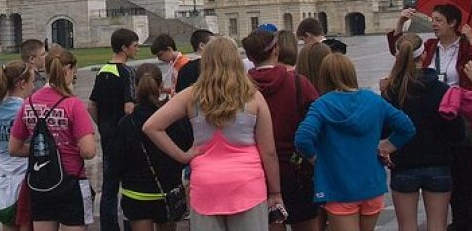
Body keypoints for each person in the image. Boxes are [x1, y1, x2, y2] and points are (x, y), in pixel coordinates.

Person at [143, 36, 284, 230]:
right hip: (247, 183)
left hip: (206, 184)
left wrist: (182, 156)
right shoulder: (254, 97)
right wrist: (275, 192)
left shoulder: (191, 95)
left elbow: (151, 126)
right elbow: (269, 152)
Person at [389, 5, 472, 231]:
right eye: (433, 19)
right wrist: (399, 25)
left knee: (467, 171)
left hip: (463, 116)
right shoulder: (431, 47)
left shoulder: (464, 46)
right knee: (448, 172)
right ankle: (459, 219)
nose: (433, 24)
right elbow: (404, 52)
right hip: (436, 113)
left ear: (452, 23)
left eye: (438, 20)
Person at [295, 53, 415, 231]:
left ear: (324, 77)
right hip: (371, 184)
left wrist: (317, 160)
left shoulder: (322, 105)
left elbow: (302, 138)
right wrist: (386, 147)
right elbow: (407, 127)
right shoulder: (373, 100)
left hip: (338, 187)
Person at [381, 33, 464, 231]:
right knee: (437, 225)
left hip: (403, 165)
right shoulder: (442, 89)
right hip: (438, 164)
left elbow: (383, 131)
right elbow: (457, 132)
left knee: (407, 226)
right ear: (425, 54)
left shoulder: (392, 91)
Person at [9, 49, 97, 230]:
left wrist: (46, 151)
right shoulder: (72, 104)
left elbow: (15, 148)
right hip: (71, 178)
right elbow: (88, 151)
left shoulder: (29, 103)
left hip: (40, 181)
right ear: (69, 69)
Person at [243, 30, 320, 231]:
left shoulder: (241, 89)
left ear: (250, 57)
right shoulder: (298, 83)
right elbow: (318, 122)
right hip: (297, 168)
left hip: (257, 170)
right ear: (276, 50)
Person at [114, 63, 192, 230]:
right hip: (168, 189)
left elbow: (117, 160)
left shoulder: (126, 122)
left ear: (136, 86)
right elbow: (186, 147)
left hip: (136, 192)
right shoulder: (175, 120)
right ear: (161, 86)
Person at [88, 28, 140, 231]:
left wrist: (102, 125)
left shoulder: (103, 71)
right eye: (134, 46)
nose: (136, 49)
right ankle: (129, 224)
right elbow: (129, 107)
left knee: (109, 185)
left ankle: (108, 227)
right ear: (123, 47)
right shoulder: (127, 72)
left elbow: (91, 105)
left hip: (107, 134)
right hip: (123, 136)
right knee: (128, 183)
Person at [0, 60, 36, 231]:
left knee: (8, 222)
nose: (33, 87)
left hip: (4, 174)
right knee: (26, 221)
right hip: (24, 172)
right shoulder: (27, 109)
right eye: (32, 82)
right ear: (22, 84)